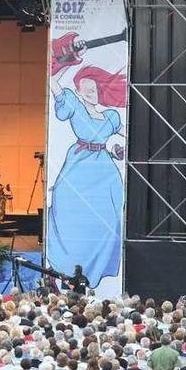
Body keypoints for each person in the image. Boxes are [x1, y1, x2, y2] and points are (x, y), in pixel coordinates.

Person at [47, 59, 126, 288]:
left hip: (104, 170)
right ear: (79, 91)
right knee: (67, 214)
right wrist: (67, 62)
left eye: (94, 89)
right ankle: (64, 269)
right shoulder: (73, 104)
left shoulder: (111, 116)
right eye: (86, 89)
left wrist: (118, 150)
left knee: (109, 218)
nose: (91, 93)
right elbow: (53, 81)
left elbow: (125, 134)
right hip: (79, 166)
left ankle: (95, 271)